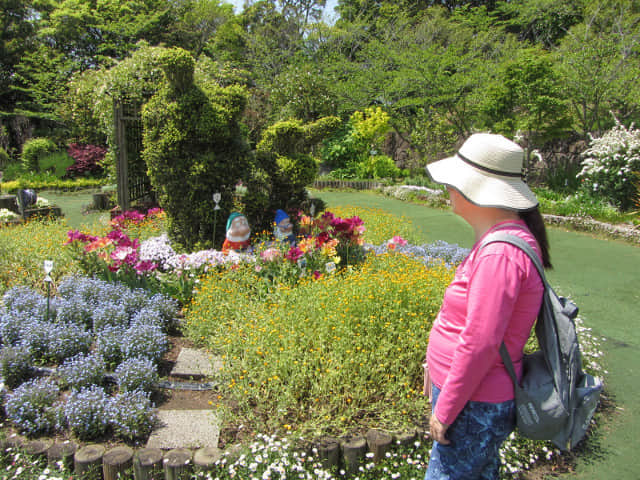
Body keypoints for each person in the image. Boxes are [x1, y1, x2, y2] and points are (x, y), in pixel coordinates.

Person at [423, 133, 552, 479]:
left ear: (476, 190)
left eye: (454, 182)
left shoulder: (500, 253)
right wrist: (433, 370)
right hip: (470, 395)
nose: (448, 189)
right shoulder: (501, 241)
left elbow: (480, 343)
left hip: (473, 402)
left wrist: (446, 409)